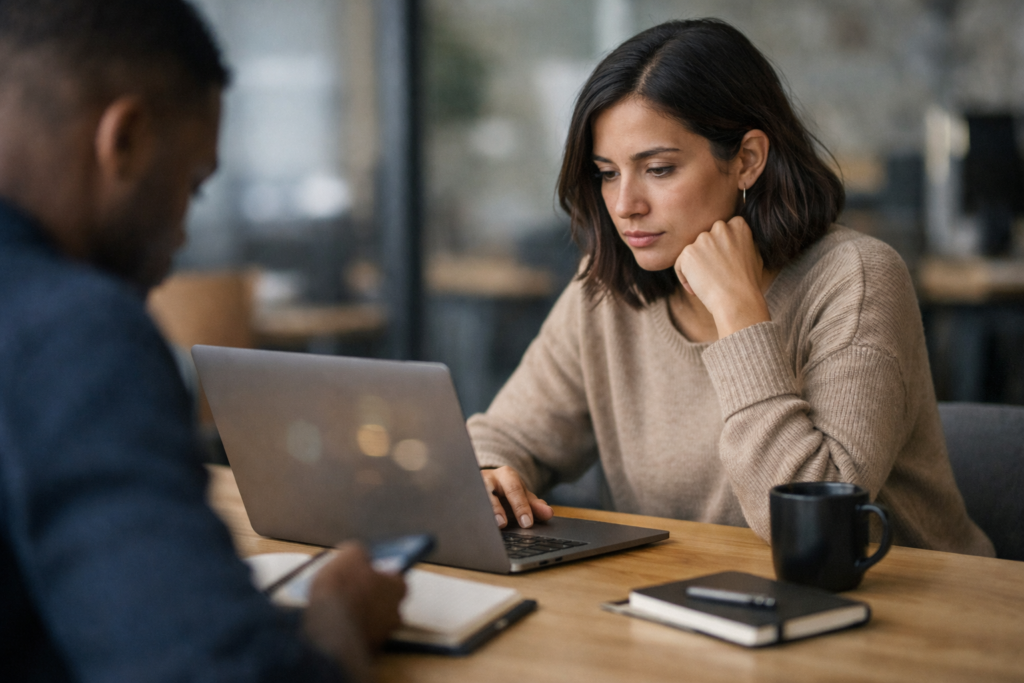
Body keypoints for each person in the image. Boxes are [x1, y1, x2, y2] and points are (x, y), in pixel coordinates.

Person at [470, 18, 994, 557]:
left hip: (907, 612)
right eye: (607, 173)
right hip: (696, 606)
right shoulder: (604, 290)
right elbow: (504, 437)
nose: (625, 204)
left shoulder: (856, 281)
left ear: (746, 160)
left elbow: (814, 524)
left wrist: (739, 313)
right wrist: (489, 474)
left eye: (658, 169)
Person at [0, 1, 404, 681]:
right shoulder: (68, 330)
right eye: (191, 185)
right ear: (122, 139)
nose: (182, 238)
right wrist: (336, 617)